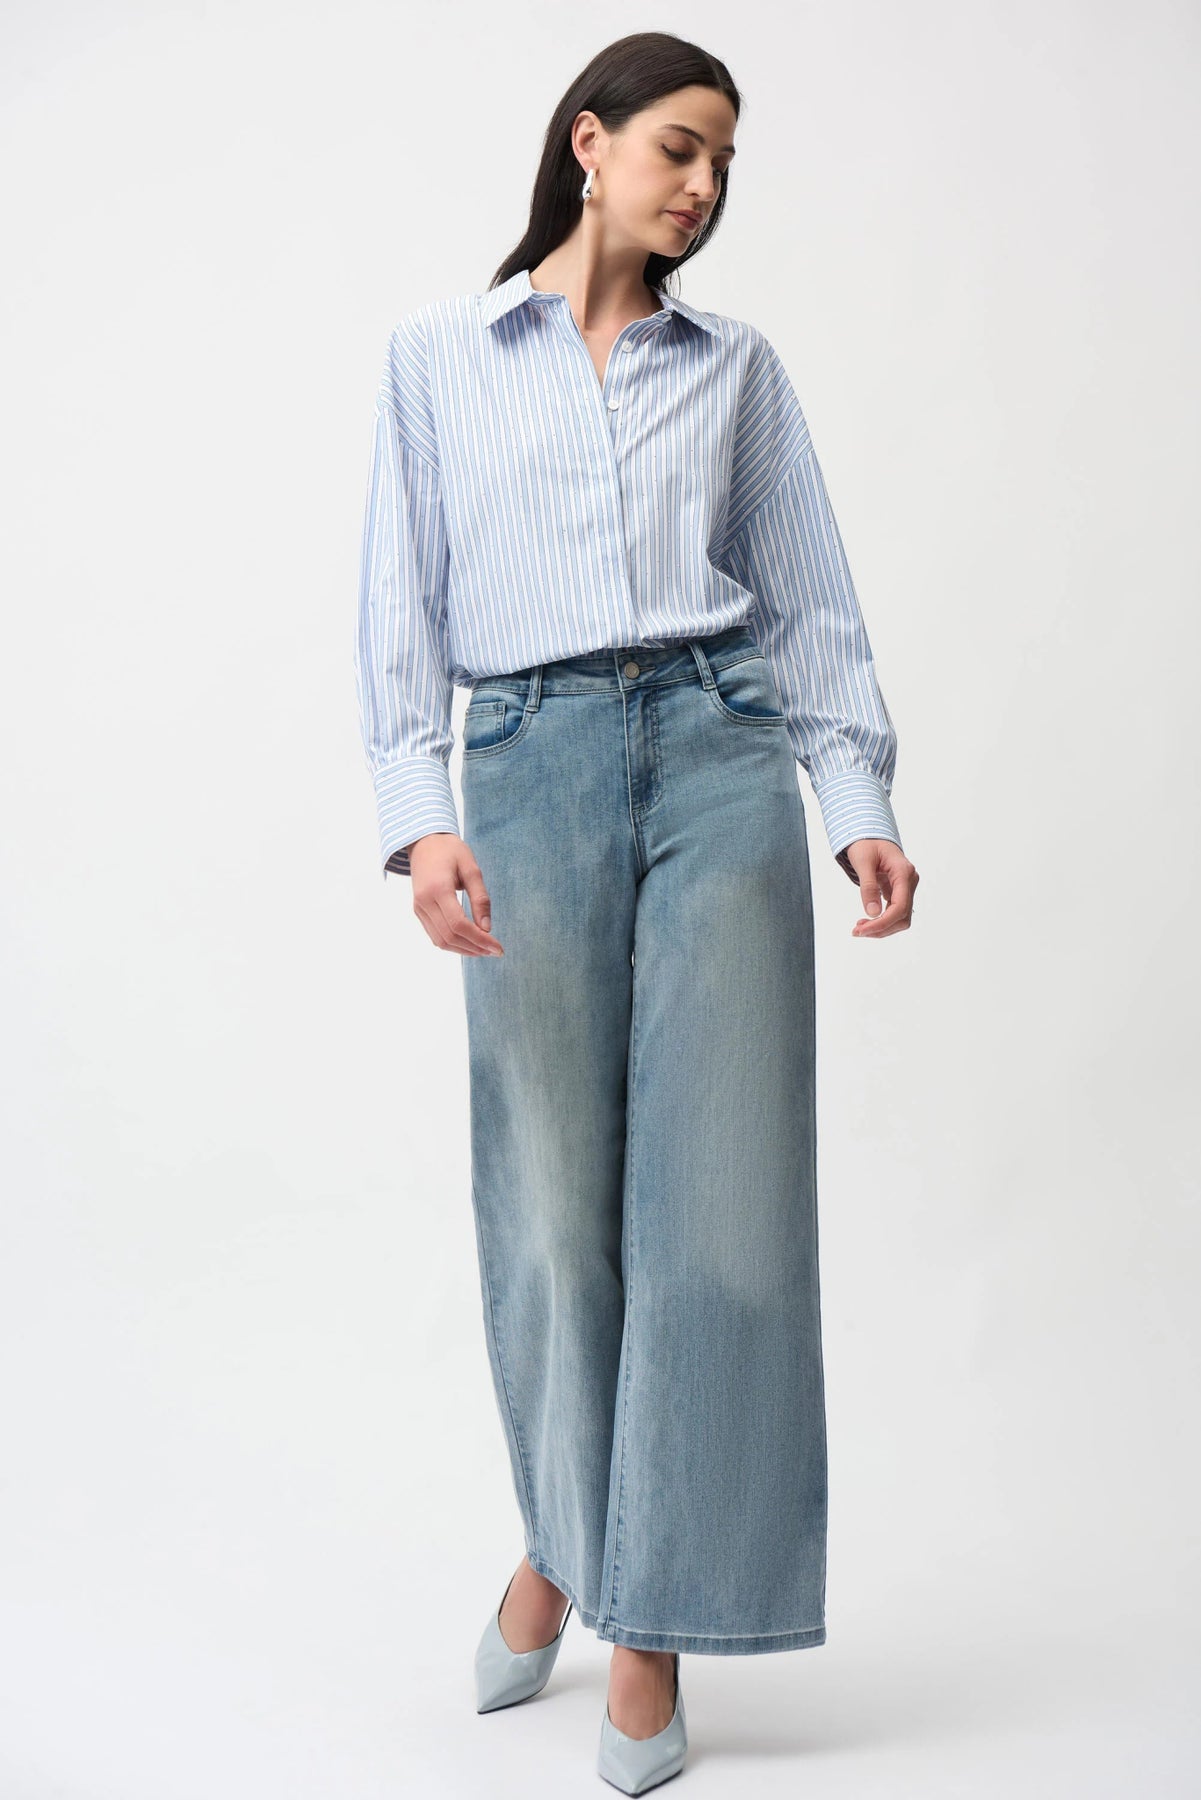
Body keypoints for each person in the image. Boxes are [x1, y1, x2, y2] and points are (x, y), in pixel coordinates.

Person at [355, 29, 918, 1794]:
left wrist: (856, 805)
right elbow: (398, 606)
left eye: (723, 164)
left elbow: (809, 600)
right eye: (679, 146)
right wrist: (419, 825)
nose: (703, 185)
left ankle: (648, 1619)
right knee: (548, 1207)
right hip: (523, 764)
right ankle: (560, 1543)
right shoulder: (437, 359)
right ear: (587, 144)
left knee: (718, 1209)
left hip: (717, 754)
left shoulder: (735, 369)